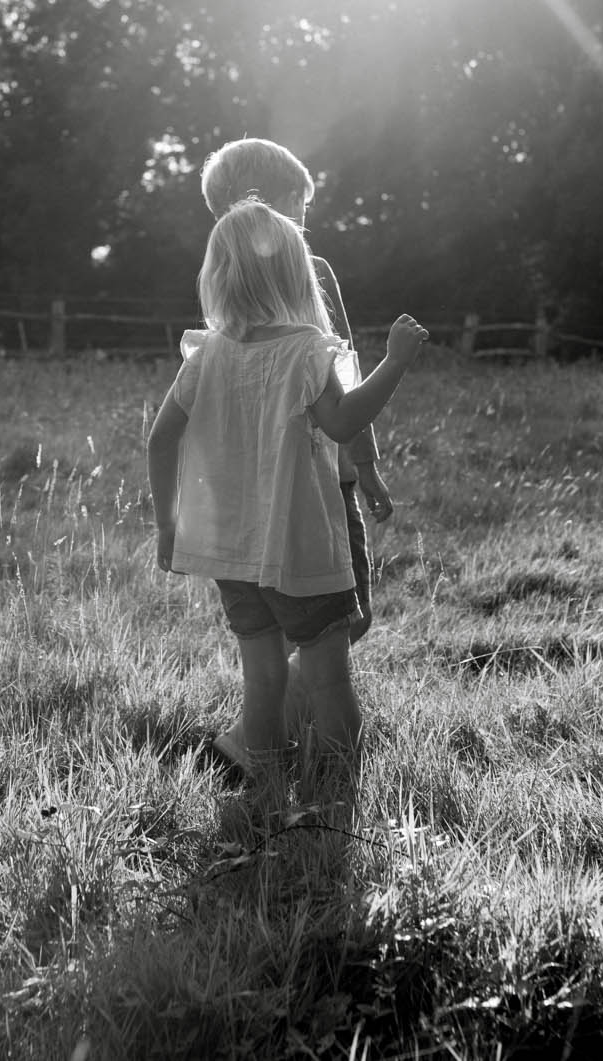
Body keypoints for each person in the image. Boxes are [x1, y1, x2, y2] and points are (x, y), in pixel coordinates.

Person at [148, 198, 428, 824]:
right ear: (298, 278)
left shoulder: (206, 355)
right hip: (299, 547)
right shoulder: (307, 351)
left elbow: (160, 439)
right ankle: (334, 808)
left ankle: (268, 796)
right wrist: (395, 361)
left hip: (227, 550)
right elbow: (345, 421)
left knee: (264, 677)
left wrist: (170, 523)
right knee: (328, 680)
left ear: (217, 278)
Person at [196, 139, 394, 772]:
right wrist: (364, 466)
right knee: (344, 616)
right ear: (266, 205)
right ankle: (257, 740)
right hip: (316, 479)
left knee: (281, 624)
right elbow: (343, 375)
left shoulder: (219, 280)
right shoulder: (311, 271)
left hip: (246, 488)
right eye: (299, 209)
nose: (305, 227)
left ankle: (261, 740)